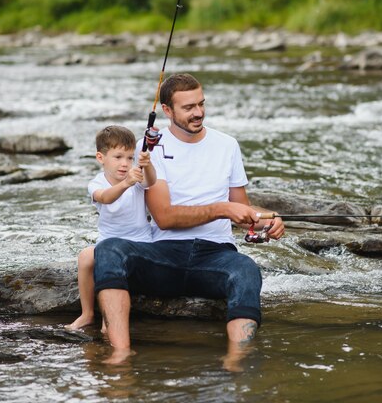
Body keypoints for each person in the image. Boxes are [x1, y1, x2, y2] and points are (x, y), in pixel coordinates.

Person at [93, 73, 285, 367]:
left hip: (216, 256)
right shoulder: (150, 150)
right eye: (188, 107)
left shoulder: (227, 145)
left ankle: (237, 358)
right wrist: (222, 209)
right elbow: (165, 217)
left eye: (201, 104)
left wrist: (268, 220)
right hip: (164, 255)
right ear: (167, 111)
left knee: (246, 269)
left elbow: (241, 209)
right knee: (109, 250)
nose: (198, 112)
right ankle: (120, 352)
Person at [67, 125, 157, 330]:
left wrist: (147, 165)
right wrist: (126, 183)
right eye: (118, 157)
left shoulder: (137, 176)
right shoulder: (96, 183)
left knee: (109, 323)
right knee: (85, 256)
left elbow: (151, 181)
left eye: (130, 157)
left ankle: (109, 322)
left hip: (140, 244)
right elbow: (105, 198)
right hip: (108, 244)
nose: (125, 164)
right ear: (101, 158)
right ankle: (87, 313)